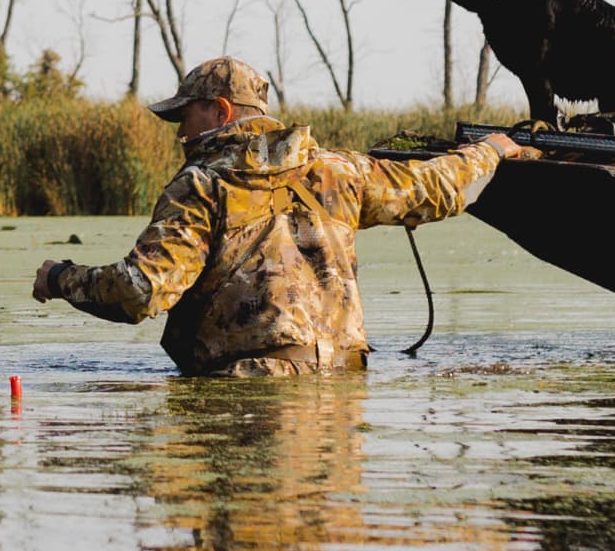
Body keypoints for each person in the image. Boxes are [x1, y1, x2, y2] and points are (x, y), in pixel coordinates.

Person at [32, 56, 537, 376]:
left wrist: (60, 278)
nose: (179, 131)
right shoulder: (341, 172)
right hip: (343, 385)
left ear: (221, 112)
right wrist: (490, 151)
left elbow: (140, 290)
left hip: (246, 392)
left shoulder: (203, 184)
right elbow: (436, 185)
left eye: (185, 116)